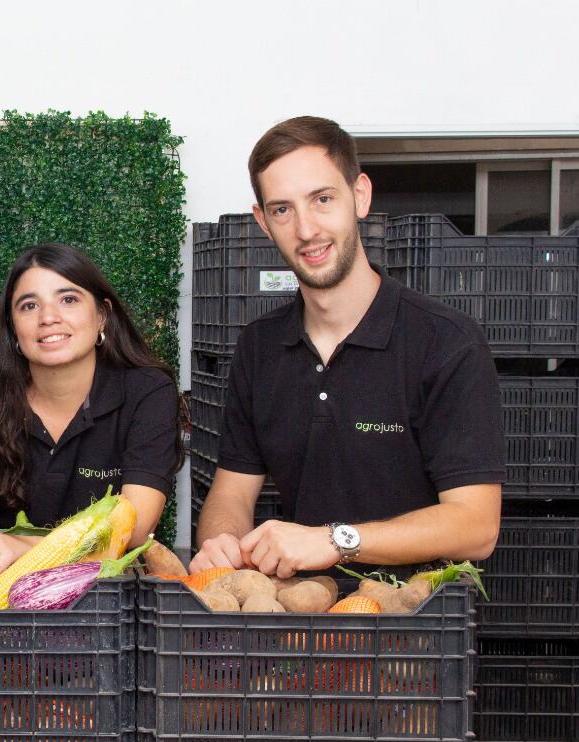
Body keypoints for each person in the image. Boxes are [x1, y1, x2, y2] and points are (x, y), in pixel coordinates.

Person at [191, 116, 504, 578]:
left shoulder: (445, 342)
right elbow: (232, 494)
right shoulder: (260, 346)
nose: (306, 229)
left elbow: (476, 526)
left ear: (360, 195)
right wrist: (222, 540)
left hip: (413, 624)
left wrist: (334, 541)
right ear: (262, 222)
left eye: (322, 199)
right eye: (282, 209)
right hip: (297, 620)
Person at [0, 242, 184, 593]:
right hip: (3, 597)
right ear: (13, 329)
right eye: (29, 305)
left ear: (102, 315)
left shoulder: (147, 393)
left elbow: (133, 527)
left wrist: (23, 551)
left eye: (68, 299)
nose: (48, 317)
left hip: (107, 600)